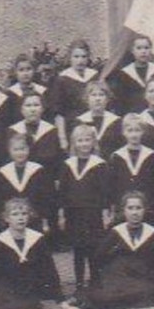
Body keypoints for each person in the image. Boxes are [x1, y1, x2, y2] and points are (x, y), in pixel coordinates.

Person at [64, 191, 154, 309]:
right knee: (105, 295)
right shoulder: (116, 232)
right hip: (119, 277)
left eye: (138, 208)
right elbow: (98, 256)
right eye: (130, 208)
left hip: (142, 278)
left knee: (144, 291)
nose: (134, 213)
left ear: (144, 210)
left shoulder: (152, 233)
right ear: (124, 210)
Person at [57, 124, 111, 292]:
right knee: (78, 249)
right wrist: (62, 214)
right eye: (80, 140)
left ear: (93, 142)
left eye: (87, 140)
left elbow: (104, 191)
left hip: (93, 212)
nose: (84, 144)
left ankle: (95, 281)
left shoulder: (99, 164)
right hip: (74, 213)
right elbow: (63, 191)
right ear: (74, 143)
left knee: (94, 248)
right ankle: (79, 284)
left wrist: (105, 212)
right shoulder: (68, 164)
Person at [0, 130, 54, 238]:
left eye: (23, 149)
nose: (20, 153)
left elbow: (46, 197)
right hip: (10, 221)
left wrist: (43, 218)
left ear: (29, 150)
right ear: (9, 151)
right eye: (16, 150)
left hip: (34, 220)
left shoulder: (38, 171)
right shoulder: (2, 172)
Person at [110, 113, 154, 216]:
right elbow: (112, 186)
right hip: (123, 208)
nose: (134, 134)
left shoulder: (151, 156)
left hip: (147, 207)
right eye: (130, 130)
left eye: (137, 130)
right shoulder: (116, 157)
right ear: (123, 132)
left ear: (143, 132)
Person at [111, 34, 154, 115]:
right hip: (133, 117)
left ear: (151, 50)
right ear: (132, 50)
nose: (143, 51)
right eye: (139, 48)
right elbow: (120, 102)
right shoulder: (123, 75)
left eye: (146, 48)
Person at [10, 92, 64, 173]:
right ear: (21, 110)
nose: (33, 109)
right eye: (28, 105)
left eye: (36, 105)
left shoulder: (51, 131)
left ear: (42, 109)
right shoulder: (12, 131)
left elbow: (57, 161)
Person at [49, 40, 99, 125]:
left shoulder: (94, 76)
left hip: (94, 122)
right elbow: (58, 113)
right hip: (72, 124)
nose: (80, 61)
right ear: (70, 58)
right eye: (76, 57)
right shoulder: (62, 79)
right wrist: (62, 136)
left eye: (84, 57)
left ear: (88, 58)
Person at [72, 81, 124, 157]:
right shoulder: (79, 121)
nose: (98, 98)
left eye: (101, 95)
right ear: (87, 99)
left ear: (107, 99)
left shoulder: (116, 122)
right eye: (94, 95)